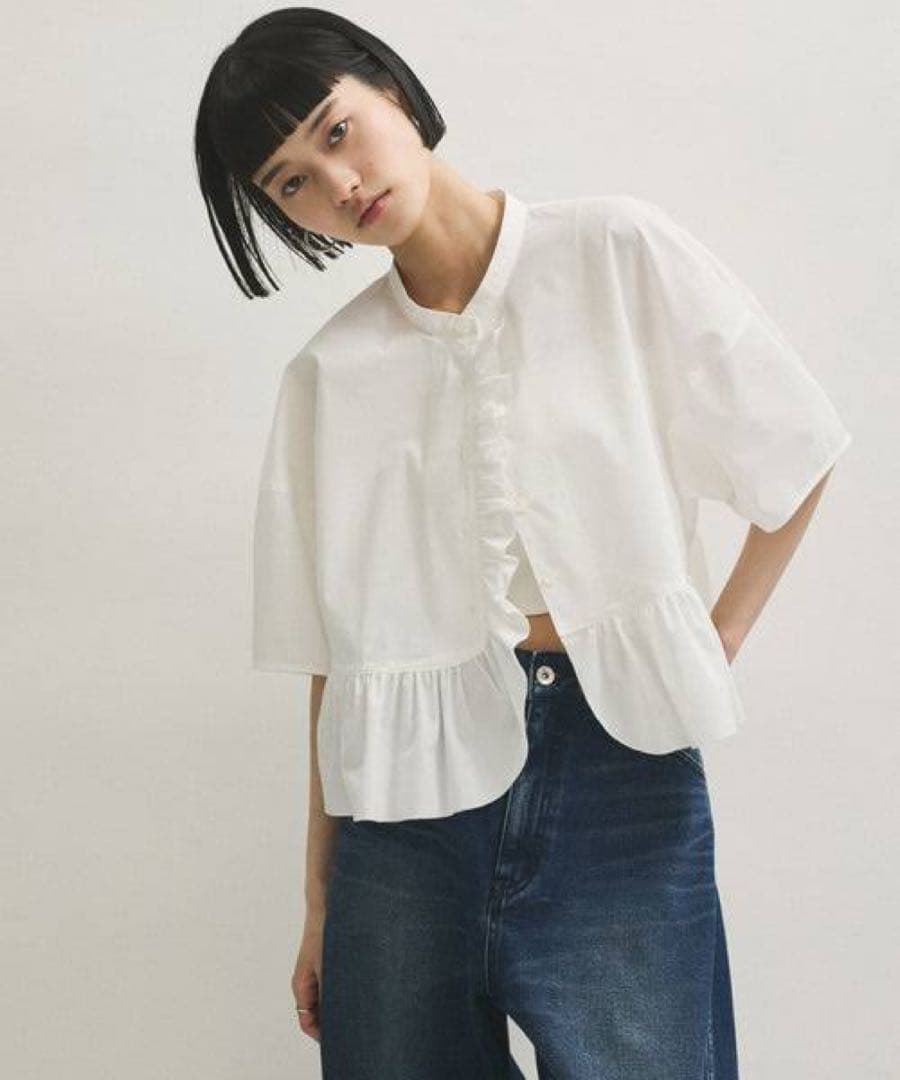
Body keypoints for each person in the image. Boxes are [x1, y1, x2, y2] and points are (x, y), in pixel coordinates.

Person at [193, 8, 852, 1078]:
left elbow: (798, 446)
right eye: (293, 183)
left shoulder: (613, 251)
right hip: (401, 822)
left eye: (336, 130)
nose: (338, 183)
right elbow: (334, 664)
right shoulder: (327, 377)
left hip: (618, 778)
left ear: (390, 89)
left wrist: (719, 635)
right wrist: (320, 901)